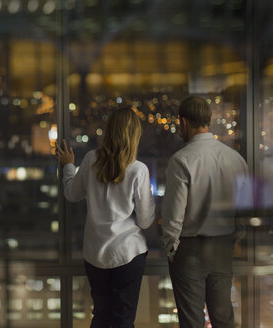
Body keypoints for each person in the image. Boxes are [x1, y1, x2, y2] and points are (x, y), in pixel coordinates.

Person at [55, 108, 155, 328]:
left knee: (100, 317)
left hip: (95, 253)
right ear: (134, 135)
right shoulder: (138, 170)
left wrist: (69, 167)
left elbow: (71, 194)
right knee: (123, 321)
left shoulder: (91, 159)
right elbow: (146, 221)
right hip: (128, 253)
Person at [162, 96, 250, 328]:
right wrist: (232, 238)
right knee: (223, 318)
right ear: (208, 120)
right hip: (222, 246)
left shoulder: (181, 160)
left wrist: (172, 248)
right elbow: (244, 210)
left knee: (192, 321)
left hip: (190, 249)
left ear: (183, 122)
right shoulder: (236, 159)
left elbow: (173, 214)